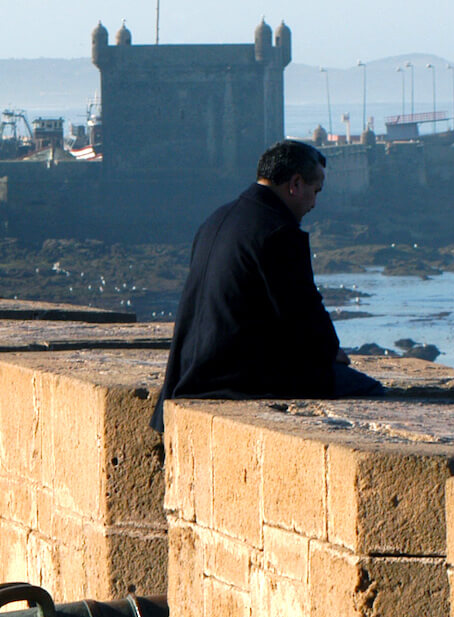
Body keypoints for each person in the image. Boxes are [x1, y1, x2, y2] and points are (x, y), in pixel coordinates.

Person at [154, 139, 382, 429]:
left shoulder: (217, 219)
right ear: (295, 184)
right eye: (315, 191)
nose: (314, 203)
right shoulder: (277, 231)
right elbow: (302, 312)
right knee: (372, 393)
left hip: (188, 374)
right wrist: (329, 351)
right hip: (234, 379)